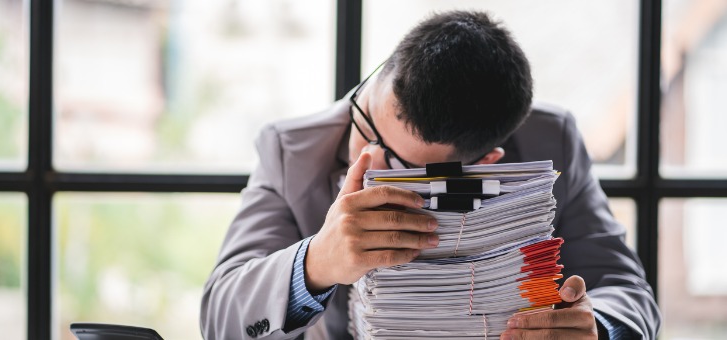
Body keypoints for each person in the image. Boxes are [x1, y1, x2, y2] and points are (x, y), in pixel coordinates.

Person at [200, 10, 661, 340]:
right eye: (365, 125)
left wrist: (596, 327)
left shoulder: (551, 140)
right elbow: (220, 318)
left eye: (405, 167)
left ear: (485, 162)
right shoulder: (291, 150)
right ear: (385, 72)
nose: (373, 164)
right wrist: (316, 262)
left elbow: (627, 291)